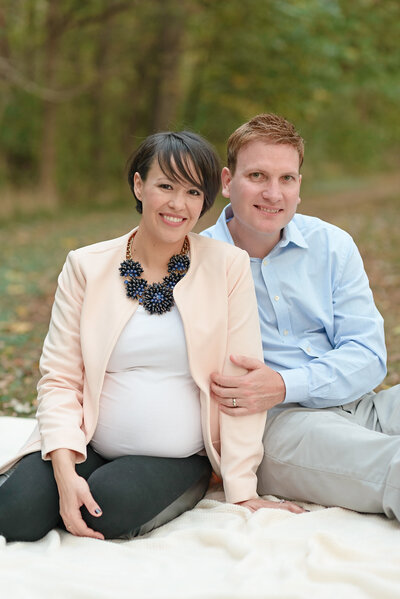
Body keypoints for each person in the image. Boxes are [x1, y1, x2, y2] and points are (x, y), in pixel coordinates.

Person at [0, 130, 303, 543]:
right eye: (166, 186)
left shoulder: (226, 266)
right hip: (89, 441)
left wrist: (242, 487)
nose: (178, 204)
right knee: (14, 514)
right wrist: (65, 471)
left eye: (194, 191)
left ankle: (181, 487)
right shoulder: (86, 266)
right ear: (139, 185)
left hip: (175, 456)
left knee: (108, 507)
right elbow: (59, 377)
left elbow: (240, 383)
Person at [202, 113, 400, 520]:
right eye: (257, 175)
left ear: (299, 186)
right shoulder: (196, 263)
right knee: (389, 464)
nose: (273, 193)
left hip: (363, 404)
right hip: (279, 428)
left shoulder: (332, 245)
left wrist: (284, 382)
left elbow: (368, 356)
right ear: (227, 182)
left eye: (286, 179)